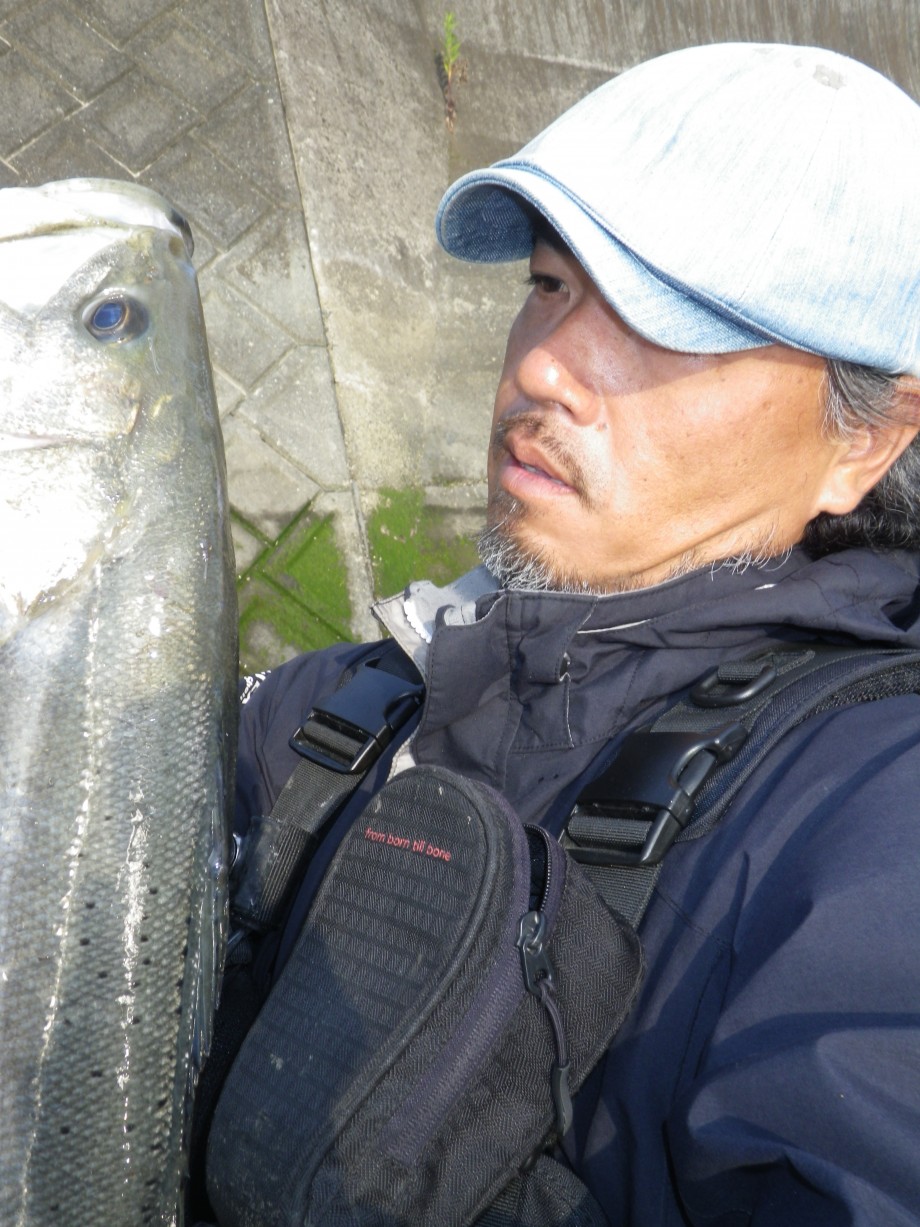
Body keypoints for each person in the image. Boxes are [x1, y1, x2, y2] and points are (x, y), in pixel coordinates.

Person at [214, 42, 920, 1226]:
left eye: (669, 326)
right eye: (548, 284)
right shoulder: (324, 712)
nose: (541, 366)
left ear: (863, 440)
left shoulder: (870, 820)